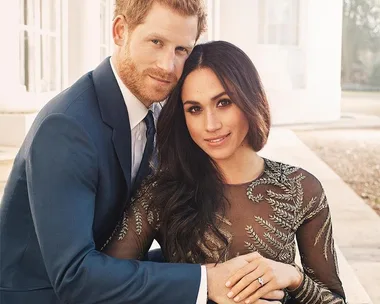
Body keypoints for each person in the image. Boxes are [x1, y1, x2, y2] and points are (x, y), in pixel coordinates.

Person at [0, 2, 281, 304]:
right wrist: (206, 280)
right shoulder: (67, 128)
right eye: (156, 42)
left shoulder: (160, 111)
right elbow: (74, 277)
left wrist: (238, 264)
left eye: (181, 50)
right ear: (120, 31)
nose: (168, 66)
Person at [103, 41, 347, 304]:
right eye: (194, 109)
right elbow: (106, 283)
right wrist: (202, 284)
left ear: (248, 100)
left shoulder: (300, 188)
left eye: (223, 102)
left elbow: (335, 300)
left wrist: (292, 277)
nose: (211, 124)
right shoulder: (161, 192)